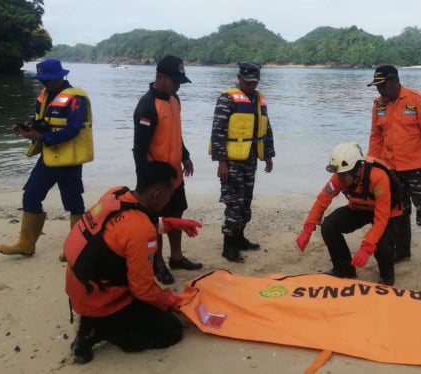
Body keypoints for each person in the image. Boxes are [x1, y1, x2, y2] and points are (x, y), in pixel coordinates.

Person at [64, 161, 202, 364]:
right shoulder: (141, 231)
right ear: (157, 194)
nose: (171, 198)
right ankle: (101, 330)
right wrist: (169, 301)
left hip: (80, 285)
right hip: (101, 297)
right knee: (171, 330)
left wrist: (175, 223)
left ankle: (92, 322)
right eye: (170, 193)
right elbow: (143, 289)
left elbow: (126, 227)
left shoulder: (117, 193)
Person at [0, 58, 93, 258]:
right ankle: (26, 244)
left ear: (61, 76)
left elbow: (73, 130)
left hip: (70, 160)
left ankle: (77, 248)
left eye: (48, 80)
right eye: (42, 80)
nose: (44, 83)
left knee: (73, 203)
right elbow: (39, 120)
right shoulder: (45, 95)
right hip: (49, 156)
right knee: (31, 194)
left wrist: (42, 137)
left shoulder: (76, 98)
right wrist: (27, 128)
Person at [366, 65, 421, 280]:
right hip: (391, 170)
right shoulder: (378, 105)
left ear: (394, 81)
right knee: (399, 213)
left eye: (381, 86)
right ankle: (402, 251)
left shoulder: (418, 101)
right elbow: (376, 137)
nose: (379, 91)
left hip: (418, 170)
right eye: (376, 87)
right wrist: (372, 164)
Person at [133, 55, 201, 285]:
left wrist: (186, 156)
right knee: (155, 222)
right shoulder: (146, 106)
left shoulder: (175, 101)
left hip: (175, 176)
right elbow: (139, 147)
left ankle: (177, 257)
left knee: (176, 214)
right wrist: (144, 180)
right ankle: (158, 262)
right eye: (175, 81)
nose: (178, 86)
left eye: (180, 81)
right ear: (160, 77)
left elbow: (175, 134)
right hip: (156, 179)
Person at [295, 142, 402, 286]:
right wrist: (308, 228)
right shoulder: (339, 177)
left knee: (382, 245)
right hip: (360, 208)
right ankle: (344, 269)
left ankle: (387, 278)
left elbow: (381, 218)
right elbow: (322, 200)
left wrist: (366, 247)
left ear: (357, 169)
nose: (341, 179)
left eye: (344, 175)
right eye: (339, 174)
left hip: (388, 213)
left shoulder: (378, 178)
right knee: (329, 226)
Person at [210, 61, 275, 263]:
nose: (251, 85)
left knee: (245, 202)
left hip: (251, 159)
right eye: (247, 82)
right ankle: (228, 246)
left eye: (254, 82)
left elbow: (267, 129)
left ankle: (239, 238)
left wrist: (269, 155)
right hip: (232, 162)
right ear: (239, 78)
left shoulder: (259, 99)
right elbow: (217, 131)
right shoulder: (227, 99)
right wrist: (221, 162)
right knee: (233, 203)